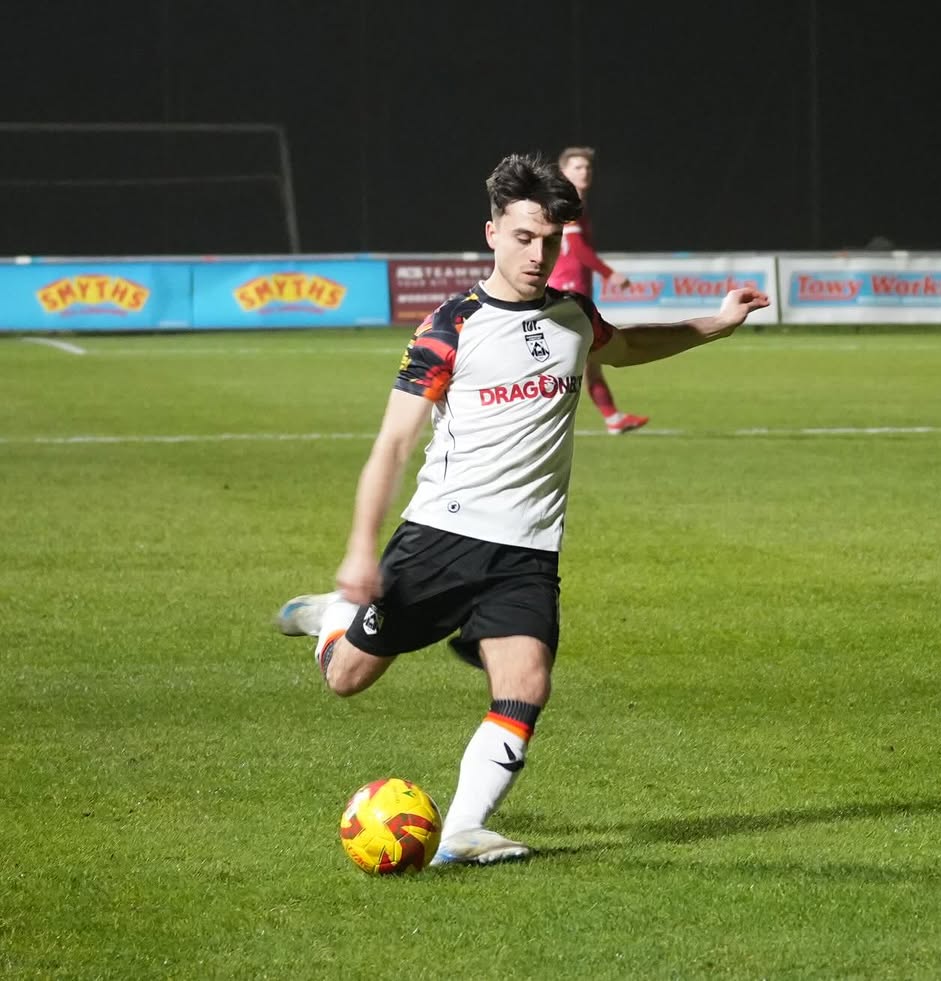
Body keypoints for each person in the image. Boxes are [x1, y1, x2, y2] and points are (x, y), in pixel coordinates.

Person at [275, 152, 769, 867]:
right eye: (523, 237)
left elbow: (629, 345)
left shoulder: (573, 316)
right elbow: (392, 443)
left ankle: (463, 830)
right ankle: (334, 618)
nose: (538, 254)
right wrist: (359, 549)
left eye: (550, 240)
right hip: (440, 536)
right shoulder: (451, 326)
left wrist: (717, 323)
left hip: (528, 548)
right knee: (346, 678)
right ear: (492, 233)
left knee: (526, 683)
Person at [551, 145, 648, 435]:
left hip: (577, 290)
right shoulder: (569, 204)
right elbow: (578, 248)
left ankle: (613, 417)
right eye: (577, 167)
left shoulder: (575, 203)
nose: (585, 172)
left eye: (587, 167)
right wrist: (609, 274)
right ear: (563, 172)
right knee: (573, 360)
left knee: (589, 358)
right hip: (566, 290)